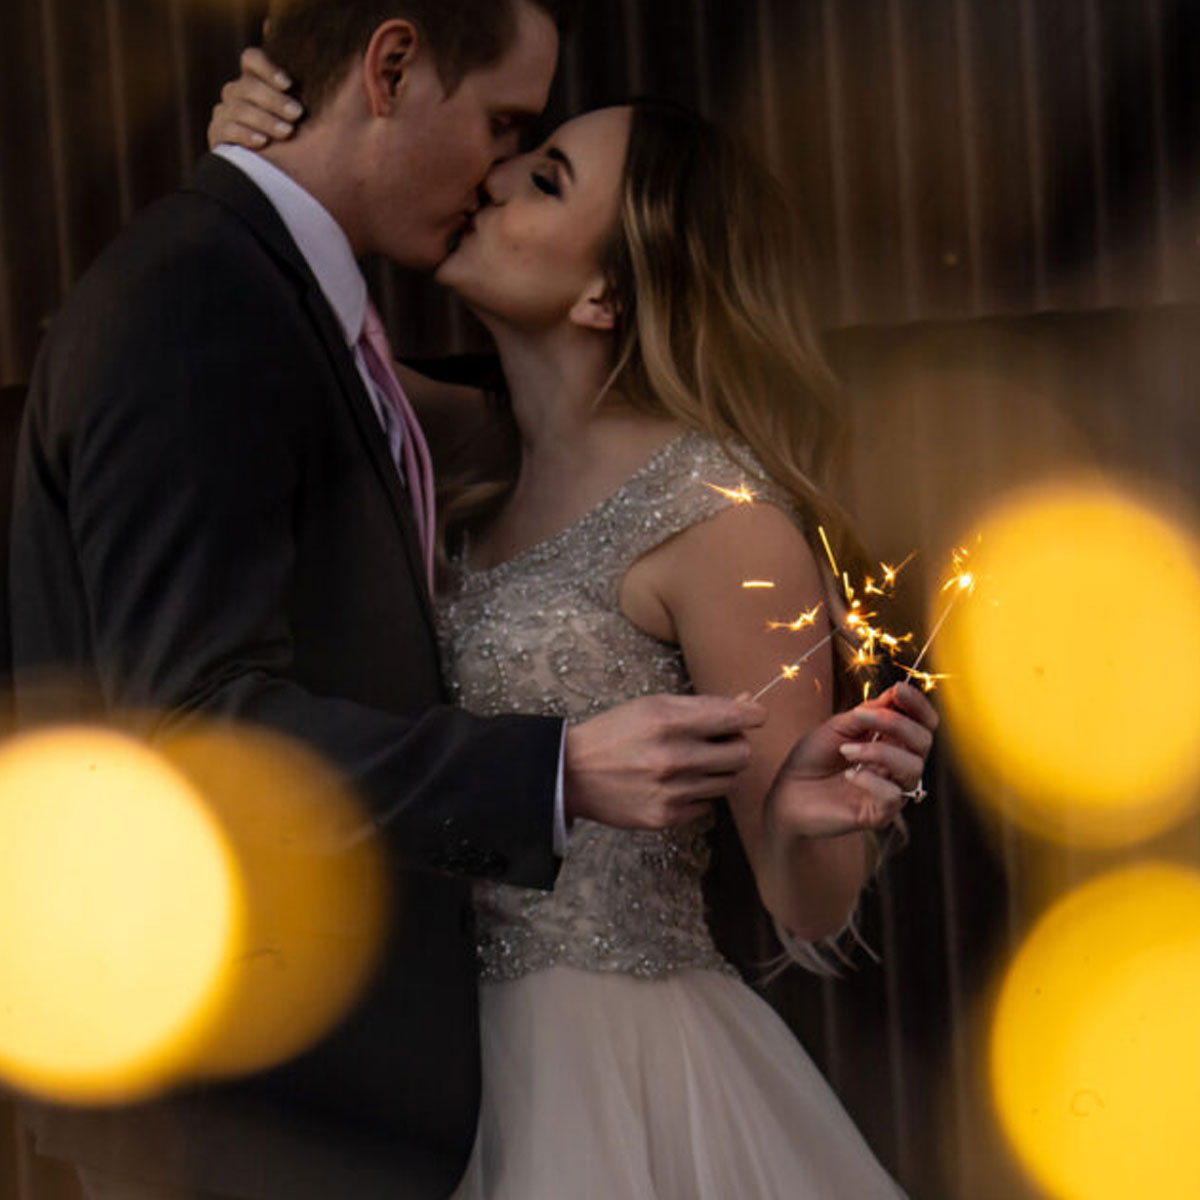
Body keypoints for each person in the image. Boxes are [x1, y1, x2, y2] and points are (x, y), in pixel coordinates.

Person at [8, 4, 794, 1199]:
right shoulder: (205, 301)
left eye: (535, 162)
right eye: (504, 126)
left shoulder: (372, 373)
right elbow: (195, 730)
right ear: (390, 65)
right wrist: (554, 773)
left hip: (440, 1092)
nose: (492, 176)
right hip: (246, 1104)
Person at [210, 53, 939, 1198]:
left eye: (545, 180)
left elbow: (806, 901)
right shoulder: (447, 453)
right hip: (420, 1065)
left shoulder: (719, 517)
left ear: (607, 293)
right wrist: (256, 167)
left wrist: (808, 819)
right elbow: (277, 329)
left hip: (612, 1068)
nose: (493, 181)